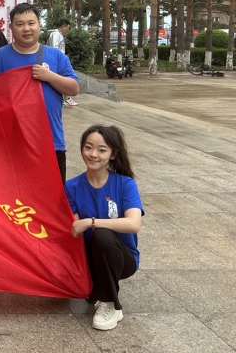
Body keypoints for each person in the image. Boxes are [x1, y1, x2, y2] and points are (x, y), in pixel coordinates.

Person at [0, 2, 79, 182]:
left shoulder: (56, 56)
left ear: (39, 25)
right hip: (11, 146)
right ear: (11, 27)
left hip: (51, 142)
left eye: (31, 23)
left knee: (53, 196)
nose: (26, 29)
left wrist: (49, 76)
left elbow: (74, 89)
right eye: (20, 24)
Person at [66, 125, 143, 331]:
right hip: (88, 260)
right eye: (88, 147)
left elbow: (133, 224)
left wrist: (91, 222)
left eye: (101, 150)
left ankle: (111, 304)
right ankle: (95, 287)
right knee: (97, 236)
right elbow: (75, 231)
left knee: (102, 234)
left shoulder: (125, 184)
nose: (93, 154)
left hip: (122, 260)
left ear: (112, 154)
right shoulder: (71, 187)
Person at [47, 18, 78, 107]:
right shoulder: (55, 34)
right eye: (68, 27)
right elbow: (54, 48)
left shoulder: (57, 34)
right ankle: (66, 99)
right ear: (63, 27)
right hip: (57, 60)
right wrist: (58, 60)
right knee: (66, 77)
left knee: (64, 78)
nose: (68, 29)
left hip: (58, 59)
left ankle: (66, 98)